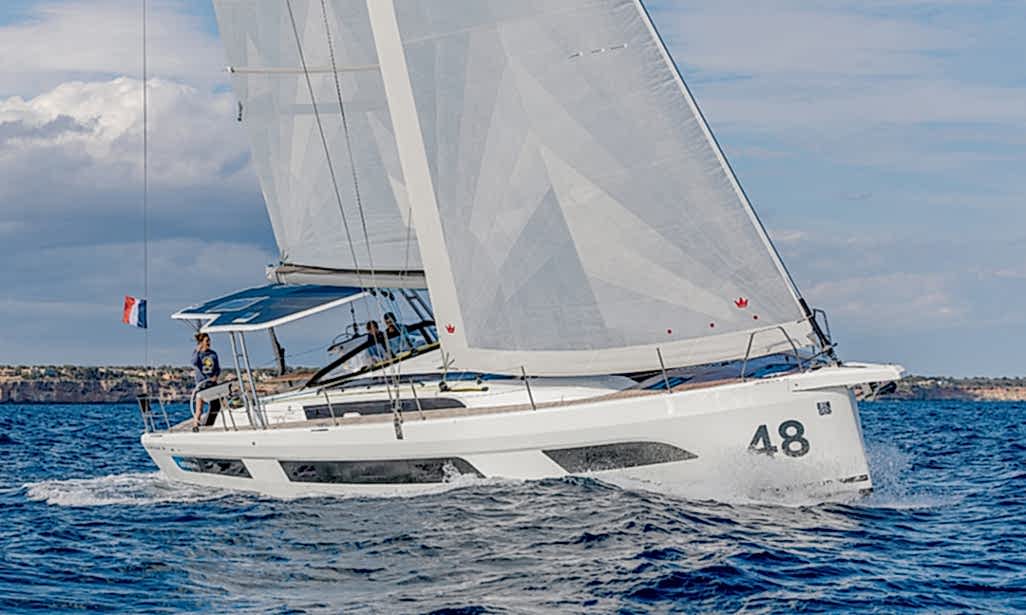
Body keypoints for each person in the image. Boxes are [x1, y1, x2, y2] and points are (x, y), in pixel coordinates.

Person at [191, 332, 221, 430]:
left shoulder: (213, 354)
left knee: (216, 405)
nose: (208, 342)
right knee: (199, 409)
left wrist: (216, 376)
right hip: (202, 385)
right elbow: (194, 363)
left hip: (212, 383)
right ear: (201, 342)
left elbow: (217, 368)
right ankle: (195, 426)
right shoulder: (198, 354)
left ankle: (209, 424)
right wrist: (197, 350)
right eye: (206, 341)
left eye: (209, 340)